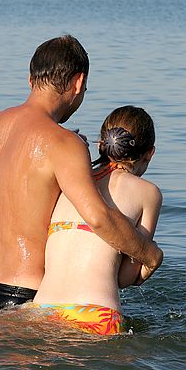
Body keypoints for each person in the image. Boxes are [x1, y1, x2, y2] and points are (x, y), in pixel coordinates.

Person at [0, 35, 162, 309]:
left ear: (31, 80)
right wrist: (149, 255)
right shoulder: (64, 143)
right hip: (24, 293)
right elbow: (98, 218)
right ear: (78, 83)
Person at [28, 106, 162, 336]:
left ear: (102, 144)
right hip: (95, 313)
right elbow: (124, 278)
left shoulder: (72, 181)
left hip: (42, 309)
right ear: (150, 153)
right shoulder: (148, 193)